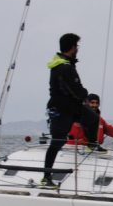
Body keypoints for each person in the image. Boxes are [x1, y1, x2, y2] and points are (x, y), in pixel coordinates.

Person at [43, 33, 100, 186]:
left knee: (93, 118)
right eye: (77, 46)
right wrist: (84, 94)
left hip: (71, 107)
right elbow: (76, 90)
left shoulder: (63, 63)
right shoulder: (64, 68)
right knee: (57, 142)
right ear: (72, 47)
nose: (78, 49)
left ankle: (91, 144)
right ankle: (46, 178)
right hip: (61, 110)